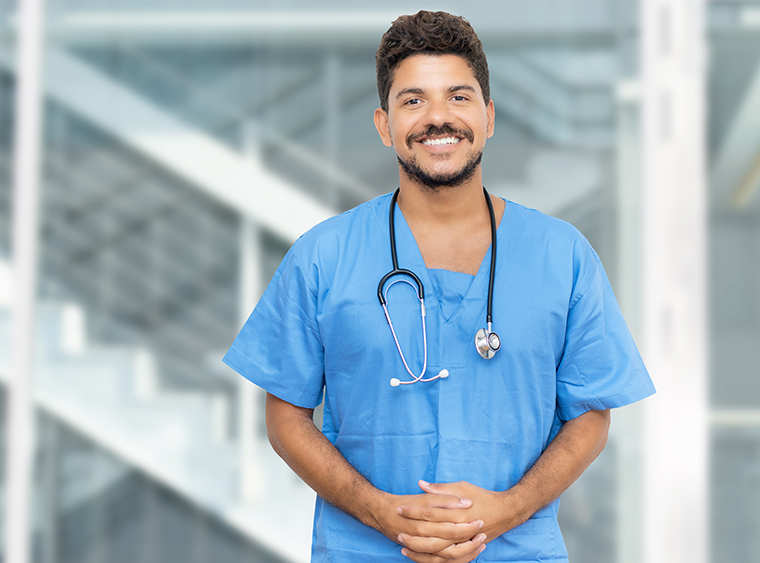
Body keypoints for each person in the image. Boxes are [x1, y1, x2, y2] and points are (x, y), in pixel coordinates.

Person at [223, 10, 655, 563]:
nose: (437, 118)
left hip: (516, 550)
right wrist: (379, 510)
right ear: (384, 125)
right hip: (366, 551)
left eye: (458, 96)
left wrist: (509, 509)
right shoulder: (323, 256)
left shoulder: (562, 255)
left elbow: (592, 414)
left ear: (489, 115)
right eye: (412, 100)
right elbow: (284, 415)